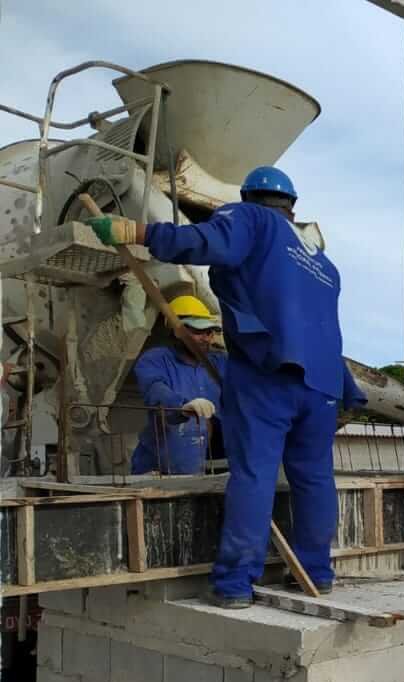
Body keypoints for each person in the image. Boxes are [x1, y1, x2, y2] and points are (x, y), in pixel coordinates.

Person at [87, 165, 367, 608]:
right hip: (322, 384)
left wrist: (135, 230)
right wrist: (349, 392)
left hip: (269, 371)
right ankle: (317, 572)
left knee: (253, 475)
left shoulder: (251, 219)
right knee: (314, 479)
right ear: (291, 207)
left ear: (251, 197)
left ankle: (236, 584)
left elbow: (206, 242)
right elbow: (323, 330)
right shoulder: (322, 263)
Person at [130, 294, 227, 476]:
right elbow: (154, 388)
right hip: (161, 467)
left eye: (209, 332)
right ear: (177, 331)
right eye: (198, 332)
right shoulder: (155, 360)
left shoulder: (220, 363)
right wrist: (182, 406)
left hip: (213, 464)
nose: (206, 338)